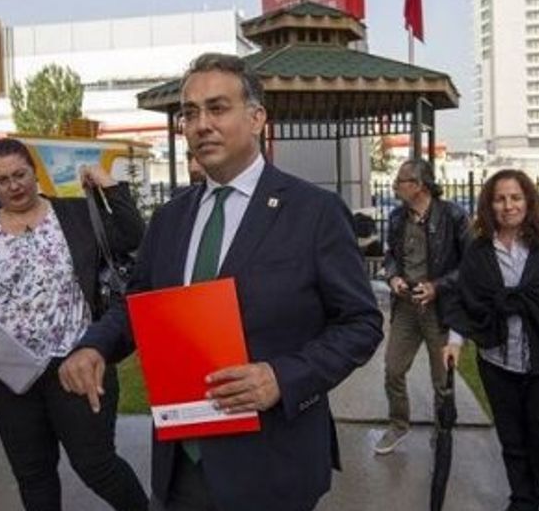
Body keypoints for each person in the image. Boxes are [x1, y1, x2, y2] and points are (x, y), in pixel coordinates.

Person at [62, 52, 383, 511]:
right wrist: (95, 346)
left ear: (256, 118)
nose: (201, 125)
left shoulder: (314, 212)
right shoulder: (171, 218)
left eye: (217, 108)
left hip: (272, 466)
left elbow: (361, 323)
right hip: (181, 464)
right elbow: (138, 303)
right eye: (190, 113)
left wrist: (282, 377)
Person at [0, 138, 149, 511]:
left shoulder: (75, 215)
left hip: (76, 367)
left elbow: (134, 235)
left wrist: (108, 185)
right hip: (10, 375)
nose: (14, 186)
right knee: (33, 475)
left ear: (35, 171)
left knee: (97, 465)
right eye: (3, 180)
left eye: (21, 174)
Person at [440, 169, 539, 511]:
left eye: (515, 198)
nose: (508, 206)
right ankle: (523, 500)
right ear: (489, 204)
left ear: (529, 201)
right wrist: (455, 341)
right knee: (512, 441)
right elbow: (466, 298)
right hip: (497, 361)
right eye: (499, 199)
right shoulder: (479, 251)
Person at [374, 159, 470, 455]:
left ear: (419, 186)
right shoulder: (396, 217)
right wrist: (393, 277)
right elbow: (390, 256)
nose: (395, 186)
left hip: (439, 310)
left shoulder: (453, 216)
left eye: (401, 181)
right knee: (393, 369)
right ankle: (398, 424)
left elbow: (470, 265)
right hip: (406, 306)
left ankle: (442, 431)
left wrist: (436, 287)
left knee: (441, 380)